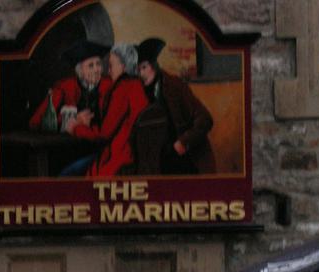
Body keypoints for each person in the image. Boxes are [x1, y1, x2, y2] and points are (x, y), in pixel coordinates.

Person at [66, 43, 148, 176]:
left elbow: (104, 134)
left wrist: (76, 128)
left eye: (110, 66)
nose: (107, 71)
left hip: (119, 158)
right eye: (91, 65)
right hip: (130, 155)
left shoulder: (122, 89)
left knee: (68, 173)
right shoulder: (137, 85)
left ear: (123, 67)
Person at [135, 37, 215, 174]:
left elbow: (205, 119)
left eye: (144, 67)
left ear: (154, 65)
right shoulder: (138, 91)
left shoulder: (174, 86)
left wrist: (184, 142)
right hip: (158, 164)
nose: (141, 74)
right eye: (138, 70)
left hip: (184, 158)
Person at [28, 40, 112, 132]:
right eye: (90, 65)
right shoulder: (65, 87)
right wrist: (73, 120)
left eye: (98, 64)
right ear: (80, 71)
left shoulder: (110, 84)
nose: (96, 70)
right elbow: (36, 122)